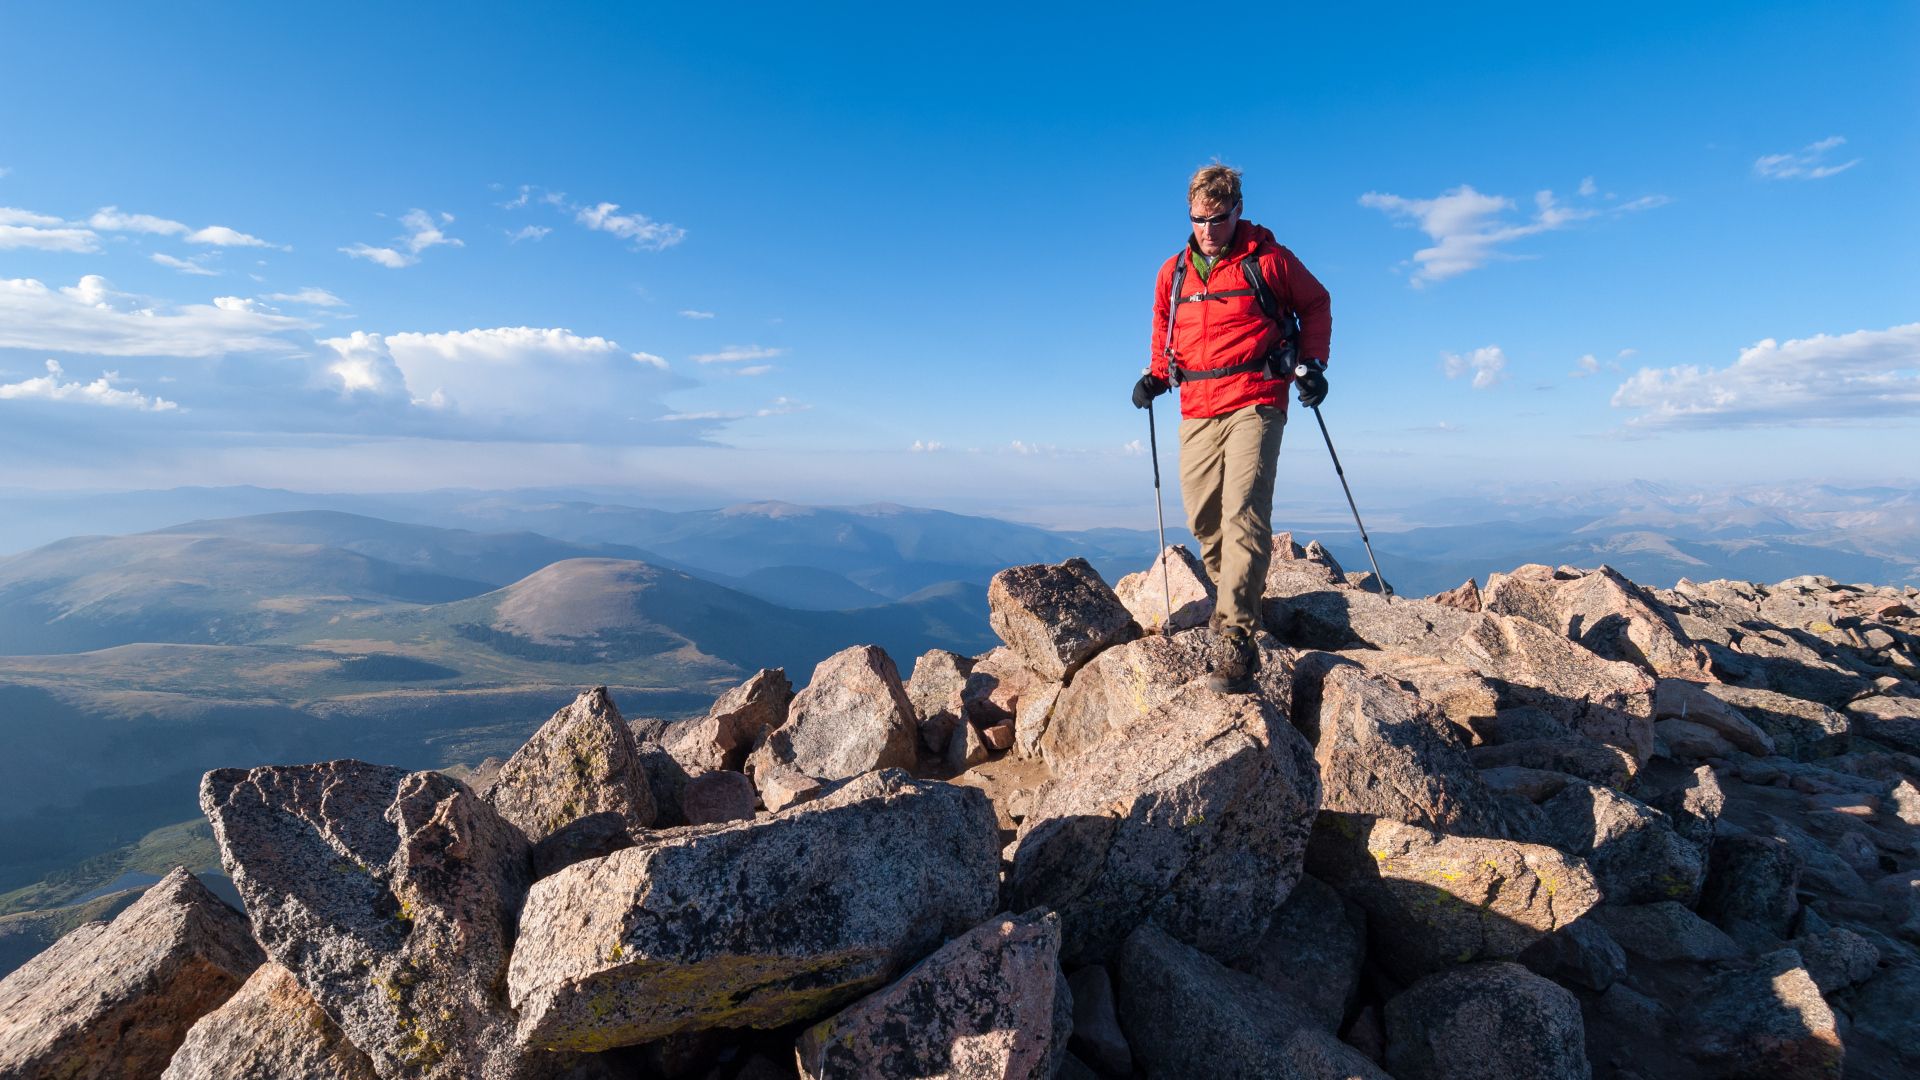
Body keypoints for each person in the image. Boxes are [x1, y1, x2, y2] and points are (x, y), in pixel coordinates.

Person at [1131, 164, 1332, 693]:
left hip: (1257, 398)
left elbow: (1316, 303)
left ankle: (1238, 640)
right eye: (1198, 219)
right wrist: (1156, 374)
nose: (1207, 229)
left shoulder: (1270, 261)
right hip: (1197, 402)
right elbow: (1163, 321)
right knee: (1204, 517)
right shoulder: (1173, 272)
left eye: (1217, 219)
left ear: (1237, 210)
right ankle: (1234, 598)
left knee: (1243, 509)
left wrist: (1312, 364)